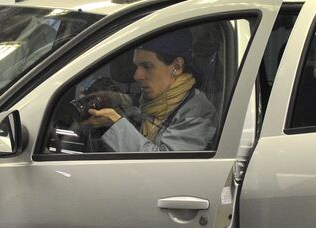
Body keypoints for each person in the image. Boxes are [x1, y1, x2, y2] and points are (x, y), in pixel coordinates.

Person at [82, 28, 217, 153]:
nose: (137, 76)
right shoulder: (154, 99)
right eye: (137, 66)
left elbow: (162, 167)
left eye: (147, 66)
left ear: (177, 66)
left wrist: (115, 123)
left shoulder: (197, 114)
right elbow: (138, 107)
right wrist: (114, 98)